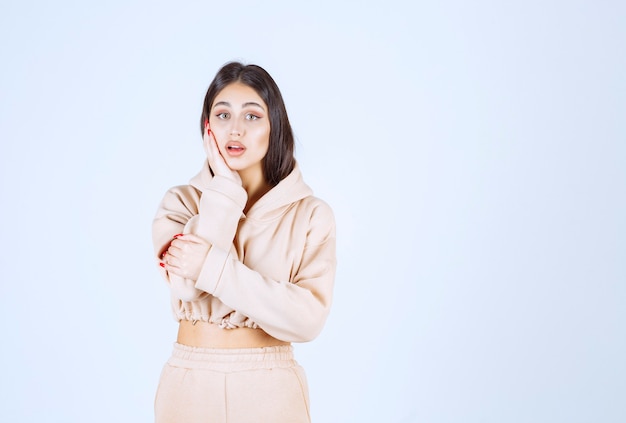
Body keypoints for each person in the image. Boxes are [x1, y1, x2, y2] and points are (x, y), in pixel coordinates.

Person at [152, 61, 336, 423]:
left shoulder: (311, 214)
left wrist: (212, 269)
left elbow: (307, 320)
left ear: (274, 127)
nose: (235, 129)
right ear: (207, 127)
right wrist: (223, 189)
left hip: (270, 389)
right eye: (222, 115)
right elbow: (187, 287)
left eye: (252, 116)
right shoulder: (180, 203)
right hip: (188, 386)